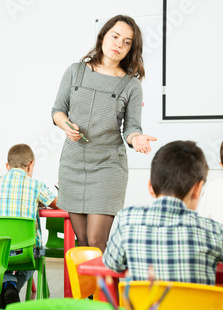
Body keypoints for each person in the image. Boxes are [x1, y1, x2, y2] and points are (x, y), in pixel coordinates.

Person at [103, 140, 223, 284]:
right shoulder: (213, 231)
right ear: (198, 188)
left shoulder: (127, 221)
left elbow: (112, 263)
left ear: (150, 187)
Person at [51, 15, 157, 252]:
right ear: (103, 37)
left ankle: (105, 290)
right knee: (83, 243)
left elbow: (131, 127)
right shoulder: (75, 71)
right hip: (73, 165)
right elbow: (58, 110)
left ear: (131, 49)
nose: (119, 44)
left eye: (127, 42)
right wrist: (66, 125)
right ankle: (90, 291)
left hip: (108, 166)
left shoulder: (131, 85)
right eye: (115, 36)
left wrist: (136, 138)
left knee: (97, 240)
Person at [0, 144, 57, 308]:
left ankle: (6, 285)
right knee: (33, 261)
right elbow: (58, 205)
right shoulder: (36, 185)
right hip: (27, 253)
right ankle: (12, 287)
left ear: (7, 166)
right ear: (31, 165)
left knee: (7, 264)